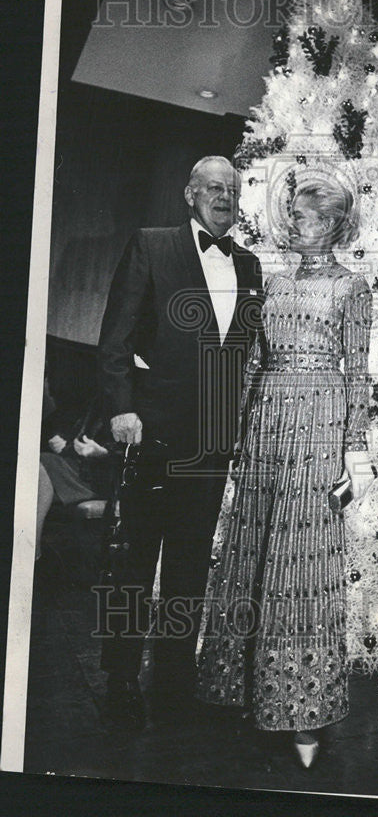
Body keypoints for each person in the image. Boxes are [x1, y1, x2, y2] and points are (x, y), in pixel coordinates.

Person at [196, 174, 374, 769]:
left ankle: (303, 715)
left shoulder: (352, 287)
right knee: (253, 552)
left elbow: (358, 372)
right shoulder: (271, 283)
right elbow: (252, 362)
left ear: (335, 224)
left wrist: (356, 453)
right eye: (294, 214)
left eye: (308, 217)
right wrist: (239, 434)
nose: (296, 224)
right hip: (267, 420)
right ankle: (243, 690)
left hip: (320, 419)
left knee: (303, 561)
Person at [97, 155, 263, 730]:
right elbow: (115, 336)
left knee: (190, 570)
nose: (224, 198)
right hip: (151, 434)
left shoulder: (249, 265)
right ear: (190, 193)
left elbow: (242, 357)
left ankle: (171, 685)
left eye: (233, 191)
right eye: (214, 188)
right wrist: (122, 410)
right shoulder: (152, 244)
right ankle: (119, 680)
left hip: (212, 444)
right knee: (135, 565)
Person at [37, 382, 112, 573]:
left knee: (41, 464)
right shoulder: (97, 402)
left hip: (104, 478)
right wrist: (67, 446)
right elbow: (81, 441)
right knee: (38, 463)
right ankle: (33, 549)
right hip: (84, 469)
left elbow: (128, 454)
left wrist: (102, 453)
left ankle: (33, 551)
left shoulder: (131, 410)